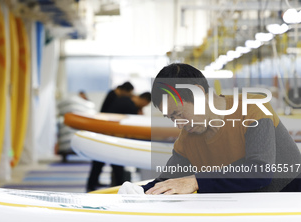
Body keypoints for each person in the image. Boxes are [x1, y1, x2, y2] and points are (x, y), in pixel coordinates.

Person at [118, 63, 301, 195]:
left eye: (179, 114)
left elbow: (260, 171)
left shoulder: (253, 108)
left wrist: (195, 181)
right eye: (172, 118)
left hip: (290, 200)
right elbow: (167, 181)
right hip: (247, 205)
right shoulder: (188, 138)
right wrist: (138, 191)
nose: (179, 124)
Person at [86, 92, 151, 192]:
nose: (144, 106)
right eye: (145, 104)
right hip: (111, 137)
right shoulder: (130, 107)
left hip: (104, 135)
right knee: (116, 165)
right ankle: (119, 188)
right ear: (144, 100)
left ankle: (91, 185)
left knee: (99, 163)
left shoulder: (125, 100)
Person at [86, 82, 134, 192]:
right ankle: (116, 186)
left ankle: (93, 184)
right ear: (124, 90)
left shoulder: (113, 95)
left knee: (100, 162)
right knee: (109, 162)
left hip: (106, 133)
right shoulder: (114, 97)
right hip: (107, 133)